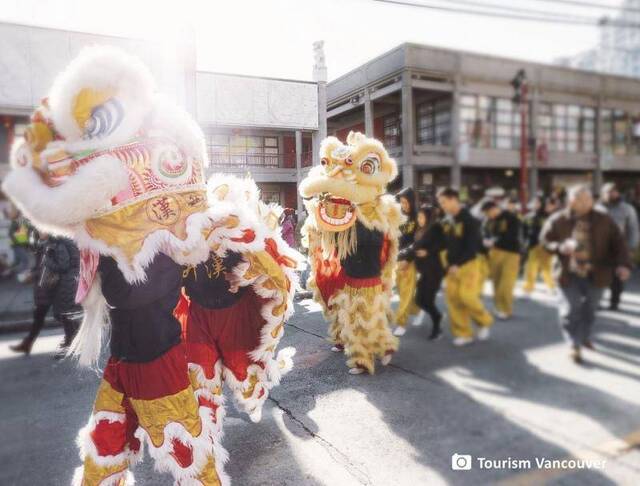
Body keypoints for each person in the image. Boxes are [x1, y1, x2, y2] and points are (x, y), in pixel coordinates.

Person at [300, 132, 402, 374]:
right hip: (350, 277)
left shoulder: (372, 221)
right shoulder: (352, 219)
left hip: (367, 280)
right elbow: (325, 227)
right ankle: (378, 345)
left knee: (361, 320)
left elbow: (374, 245)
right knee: (355, 316)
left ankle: (362, 360)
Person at [540, 185, 632, 364]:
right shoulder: (558, 219)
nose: (584, 203)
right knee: (569, 309)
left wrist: (623, 265)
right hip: (568, 272)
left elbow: (619, 244)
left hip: (597, 272)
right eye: (579, 199)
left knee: (590, 310)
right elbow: (544, 241)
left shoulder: (604, 219)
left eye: (588, 199)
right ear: (570, 201)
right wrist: (558, 247)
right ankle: (573, 345)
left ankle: (584, 336)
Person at [437, 187, 494, 346]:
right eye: (441, 203)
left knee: (467, 296)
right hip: (451, 267)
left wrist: (457, 264)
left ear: (454, 199)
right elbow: (444, 244)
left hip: (469, 264)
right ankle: (464, 333)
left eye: (444, 202)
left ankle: (484, 321)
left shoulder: (471, 220)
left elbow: (472, 247)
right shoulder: (447, 221)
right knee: (453, 300)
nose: (442, 206)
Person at [10, 234, 82, 356]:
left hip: (62, 285)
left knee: (65, 316)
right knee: (64, 316)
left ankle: (71, 344)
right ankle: (70, 342)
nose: (39, 231)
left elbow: (63, 265)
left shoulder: (58, 244)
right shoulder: (51, 243)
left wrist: (46, 261)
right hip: (58, 285)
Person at [399, 204, 446, 340]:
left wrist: (428, 252)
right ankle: (437, 316)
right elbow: (414, 247)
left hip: (434, 271)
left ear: (428, 216)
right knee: (420, 300)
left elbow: (443, 244)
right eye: (418, 216)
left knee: (427, 300)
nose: (418, 219)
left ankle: (437, 328)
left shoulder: (435, 228)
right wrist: (403, 255)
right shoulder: (421, 230)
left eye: (421, 216)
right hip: (425, 271)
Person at [599, 182, 639, 310]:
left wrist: (631, 248)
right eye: (607, 191)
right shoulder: (597, 208)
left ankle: (614, 302)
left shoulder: (627, 209)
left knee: (617, 278)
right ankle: (596, 301)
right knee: (598, 276)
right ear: (602, 194)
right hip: (600, 248)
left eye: (613, 191)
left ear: (617, 192)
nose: (610, 194)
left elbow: (633, 229)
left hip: (620, 249)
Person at [482, 200, 522, 319]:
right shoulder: (489, 221)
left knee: (506, 283)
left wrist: (494, 240)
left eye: (488, 213)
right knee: (496, 282)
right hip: (494, 252)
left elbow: (512, 235)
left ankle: (506, 309)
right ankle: (498, 306)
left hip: (511, 254)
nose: (488, 216)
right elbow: (485, 233)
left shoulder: (511, 218)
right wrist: (486, 240)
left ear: (494, 208)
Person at [394, 187, 420, 336]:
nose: (403, 205)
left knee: (406, 291)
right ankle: (417, 308)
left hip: (410, 260)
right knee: (401, 290)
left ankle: (401, 323)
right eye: (401, 202)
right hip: (397, 258)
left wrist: (409, 258)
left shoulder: (418, 217)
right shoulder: (399, 217)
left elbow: (419, 241)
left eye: (405, 202)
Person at [523, 196, 559, 295]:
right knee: (530, 267)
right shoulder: (528, 216)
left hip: (545, 245)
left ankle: (551, 287)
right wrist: (524, 242)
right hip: (532, 245)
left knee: (546, 268)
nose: (536, 204)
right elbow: (524, 230)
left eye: (538, 202)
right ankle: (528, 289)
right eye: (535, 202)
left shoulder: (548, 216)